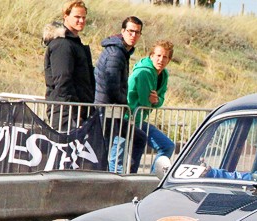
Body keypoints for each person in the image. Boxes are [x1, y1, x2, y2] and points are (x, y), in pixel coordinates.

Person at [94, 16, 147, 173]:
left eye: (137, 32)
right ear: (123, 31)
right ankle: (110, 179)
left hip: (112, 110)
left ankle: (126, 176)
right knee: (104, 151)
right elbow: (112, 86)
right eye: (130, 31)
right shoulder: (116, 53)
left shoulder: (121, 51)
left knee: (138, 138)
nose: (133, 35)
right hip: (105, 109)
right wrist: (125, 104)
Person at [43, 0, 95, 131]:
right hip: (66, 113)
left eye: (83, 17)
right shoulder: (62, 44)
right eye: (77, 17)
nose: (81, 21)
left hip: (77, 111)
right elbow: (62, 82)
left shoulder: (74, 43)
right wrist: (76, 112)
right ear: (65, 16)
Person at [128, 40, 176, 172]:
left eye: (165, 57)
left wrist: (156, 100)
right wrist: (153, 101)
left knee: (167, 146)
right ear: (151, 56)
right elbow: (145, 101)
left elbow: (159, 100)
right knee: (121, 159)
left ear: (169, 60)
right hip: (126, 118)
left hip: (138, 120)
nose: (161, 60)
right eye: (158, 56)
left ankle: (154, 178)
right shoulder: (144, 72)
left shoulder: (164, 74)